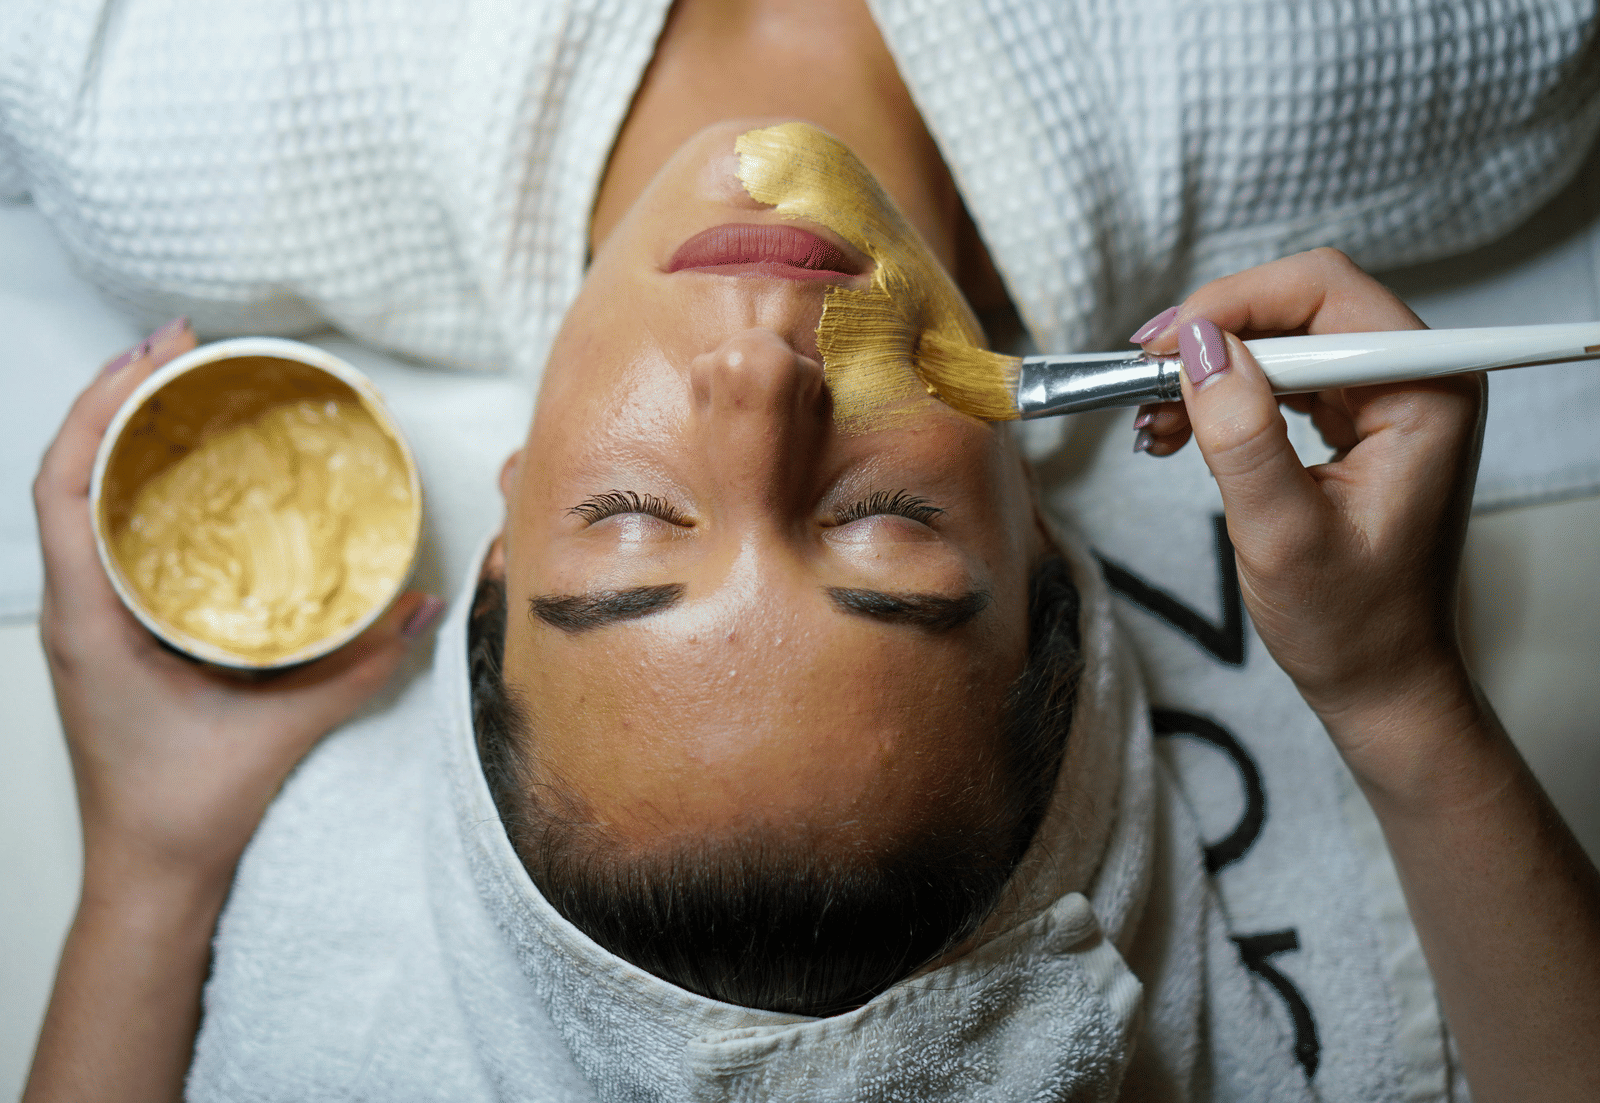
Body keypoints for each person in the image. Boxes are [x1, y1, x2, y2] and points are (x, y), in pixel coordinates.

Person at [13, 2, 1600, 1100]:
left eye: (634, 517)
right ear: (1040, 527)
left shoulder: (139, 109)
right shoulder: (1457, 62)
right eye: (881, 523)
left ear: (504, 517)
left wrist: (147, 865)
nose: (759, 388)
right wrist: (1396, 693)